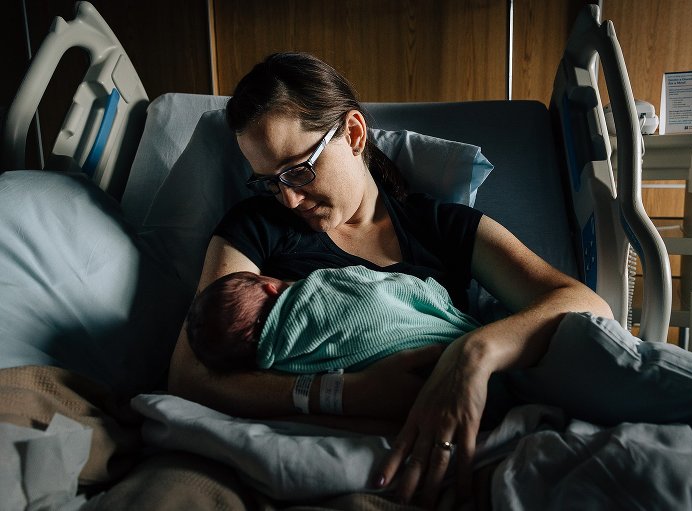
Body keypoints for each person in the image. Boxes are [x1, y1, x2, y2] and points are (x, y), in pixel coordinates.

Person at [167, 51, 613, 507]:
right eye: (269, 182)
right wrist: (344, 394)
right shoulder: (256, 225)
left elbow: (586, 305)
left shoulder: (442, 228)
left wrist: (472, 354)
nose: (289, 200)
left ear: (354, 133)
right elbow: (190, 377)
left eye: (298, 171)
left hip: (410, 461)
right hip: (284, 450)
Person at [185, 266, 481, 375]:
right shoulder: (319, 285)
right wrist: (435, 297)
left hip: (446, 371)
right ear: (270, 287)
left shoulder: (283, 365)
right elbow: (393, 285)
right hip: (458, 348)